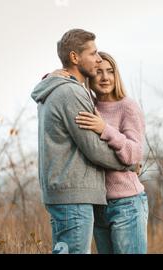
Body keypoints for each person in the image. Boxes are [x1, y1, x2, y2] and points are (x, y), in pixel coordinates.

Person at [31, 29, 133, 254]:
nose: (98, 59)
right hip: (73, 195)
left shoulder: (56, 88)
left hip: (65, 194)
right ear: (75, 58)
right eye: (93, 53)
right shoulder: (70, 92)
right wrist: (128, 164)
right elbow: (94, 148)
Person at [53, 52, 148, 254]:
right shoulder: (88, 105)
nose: (105, 78)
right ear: (89, 76)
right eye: (98, 72)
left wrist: (105, 128)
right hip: (96, 204)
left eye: (110, 71)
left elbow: (134, 154)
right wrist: (52, 77)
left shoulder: (127, 107)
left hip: (127, 203)